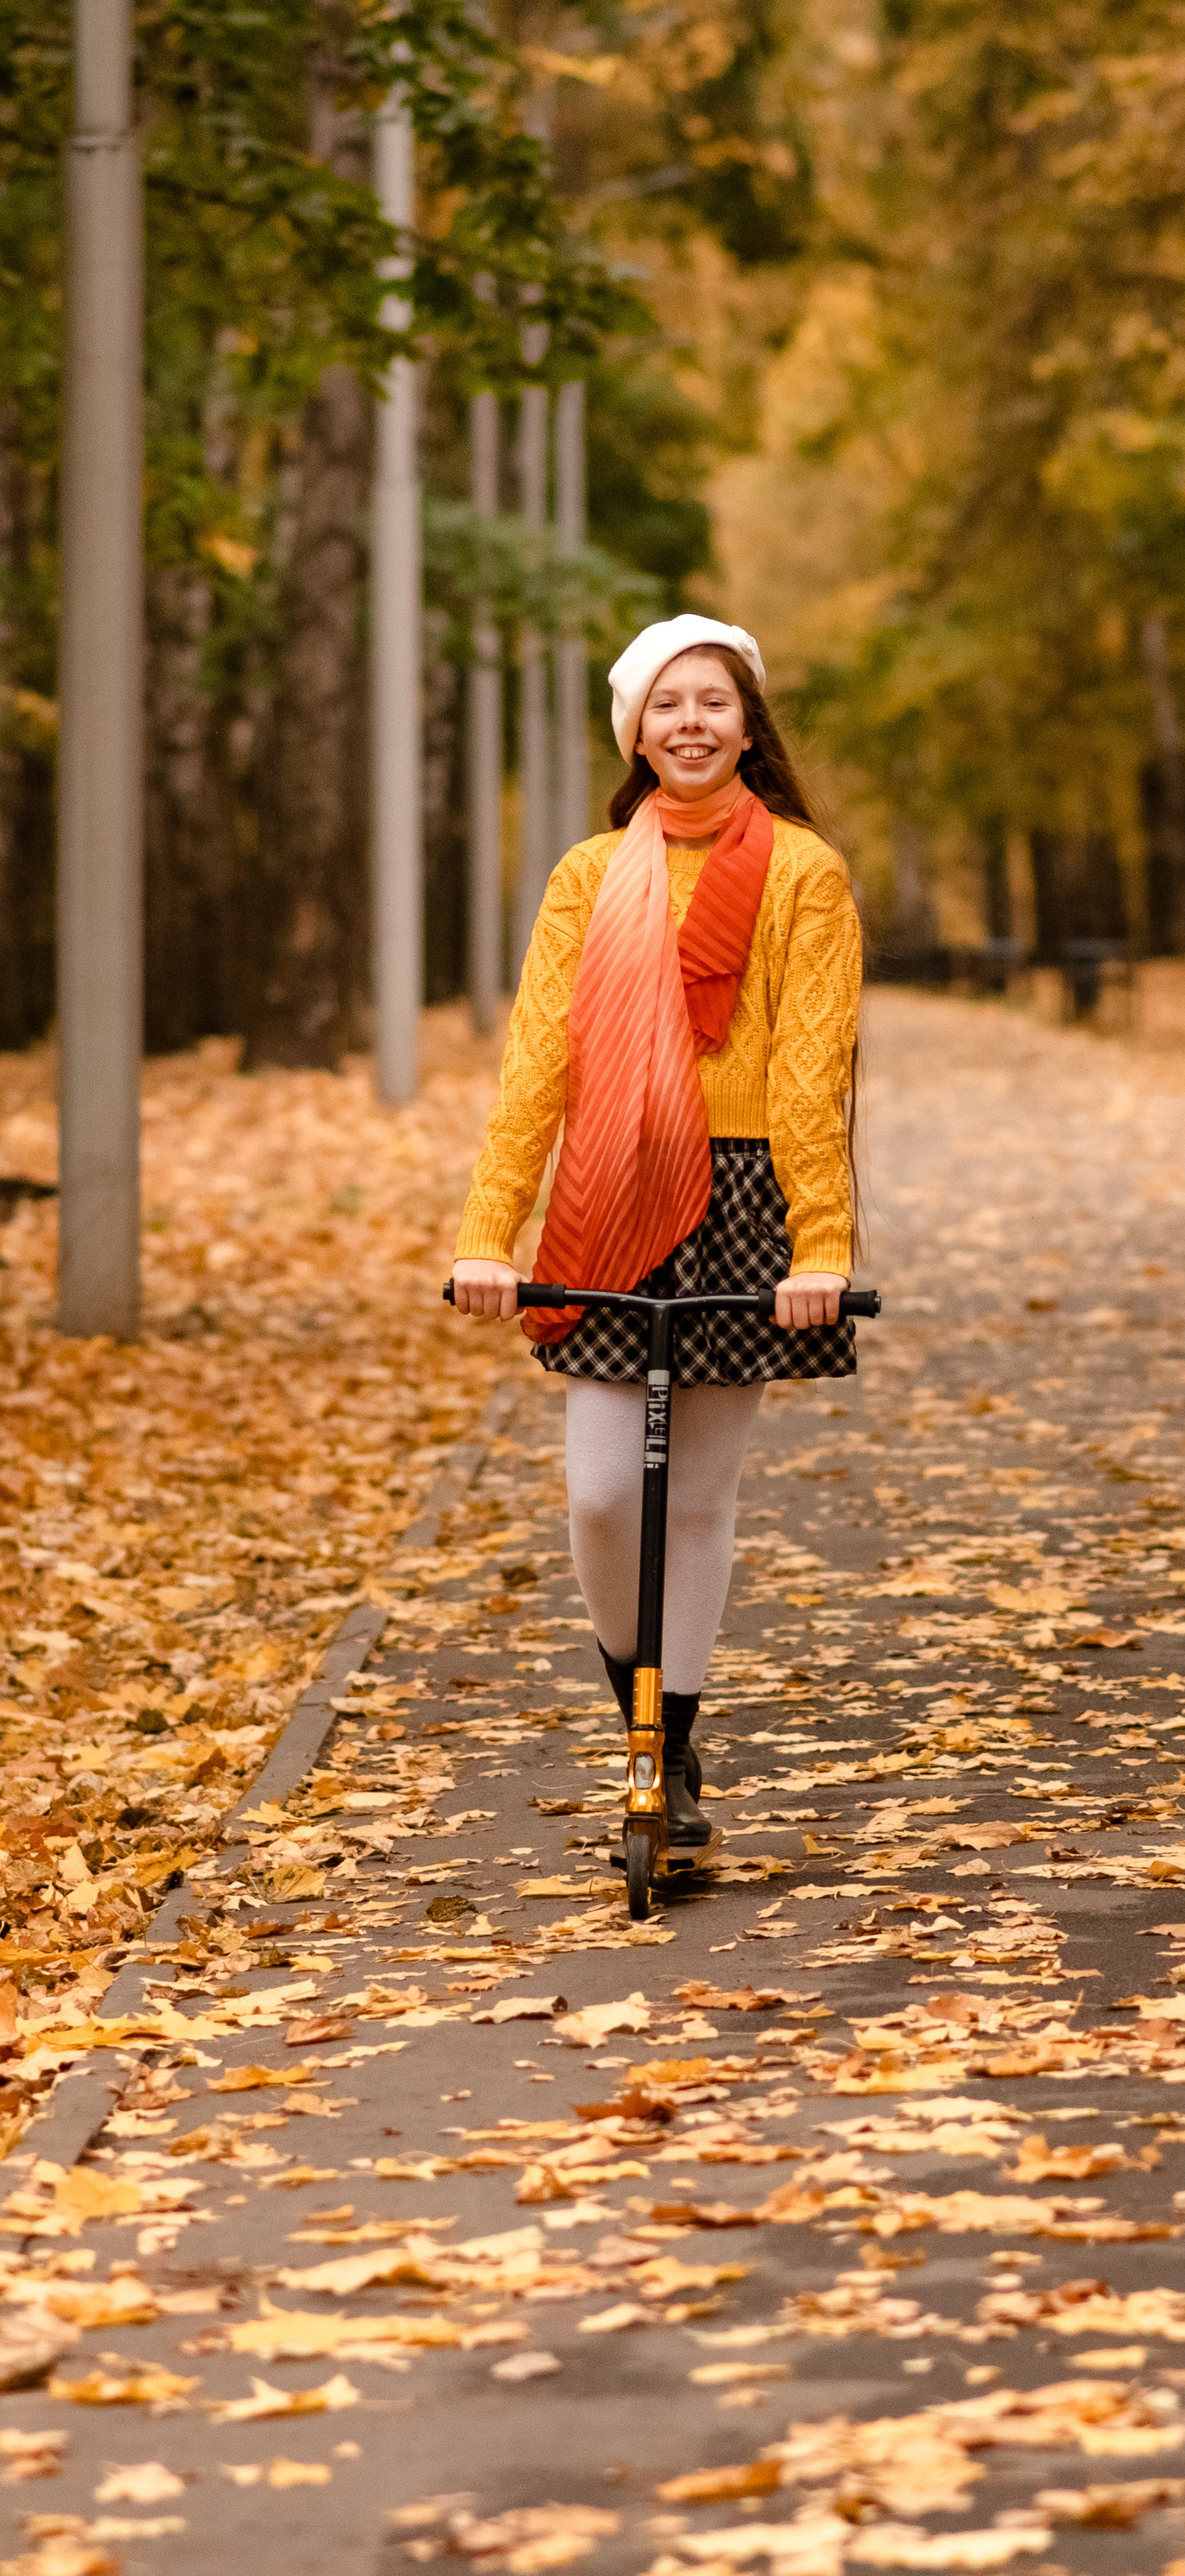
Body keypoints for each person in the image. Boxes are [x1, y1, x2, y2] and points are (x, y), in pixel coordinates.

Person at [447, 613, 862, 1868]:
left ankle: (665, 1748)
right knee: (600, 1495)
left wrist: (821, 1247)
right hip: (610, 1188)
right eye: (668, 704)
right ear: (637, 732)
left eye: (714, 702)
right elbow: (537, 1067)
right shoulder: (587, 877)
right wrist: (488, 1232)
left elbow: (810, 1074)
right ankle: (640, 1703)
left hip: (745, 1202)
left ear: (747, 725)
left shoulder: (806, 873)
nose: (692, 722)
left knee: (697, 1501)